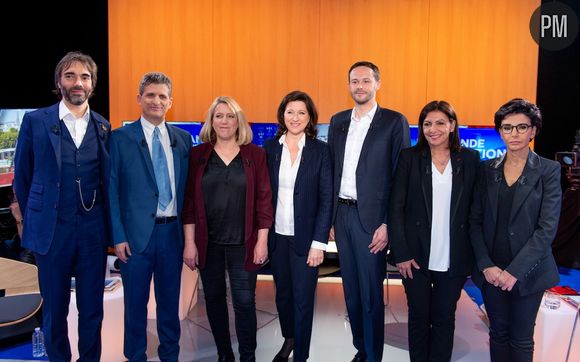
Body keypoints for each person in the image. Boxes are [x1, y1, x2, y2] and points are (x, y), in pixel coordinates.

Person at [13, 51, 110, 361]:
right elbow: (23, 177)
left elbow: (108, 182)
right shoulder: (35, 121)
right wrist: (36, 219)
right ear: (59, 82)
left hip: (93, 233)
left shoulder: (103, 126)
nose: (77, 82)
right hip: (51, 235)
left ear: (92, 84)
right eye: (70, 76)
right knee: (54, 311)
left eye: (84, 76)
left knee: (92, 310)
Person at [327, 61, 410, 362]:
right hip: (342, 215)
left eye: (365, 80)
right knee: (351, 292)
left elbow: (400, 177)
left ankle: (373, 355)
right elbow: (331, 170)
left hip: (372, 221)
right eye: (353, 81)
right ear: (348, 85)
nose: (359, 86)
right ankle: (361, 349)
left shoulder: (393, 121)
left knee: (371, 295)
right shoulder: (337, 122)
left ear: (377, 83)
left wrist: (388, 222)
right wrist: (330, 217)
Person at [182, 96, 273, 362]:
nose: (224, 121)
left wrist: (262, 240)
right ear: (211, 121)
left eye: (230, 116)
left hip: (244, 244)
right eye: (219, 116)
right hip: (207, 243)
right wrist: (189, 242)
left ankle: (248, 356)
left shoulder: (255, 155)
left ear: (239, 121)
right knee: (214, 301)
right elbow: (189, 202)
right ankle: (224, 354)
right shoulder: (198, 156)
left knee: (245, 303)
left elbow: (264, 200)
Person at [470, 98, 562, 362]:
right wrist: (486, 265)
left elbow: (546, 229)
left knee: (521, 339)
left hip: (529, 272)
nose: (514, 134)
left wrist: (514, 272)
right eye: (507, 127)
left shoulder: (548, 170)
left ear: (533, 131)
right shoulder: (487, 170)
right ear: (500, 131)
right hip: (492, 272)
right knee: (498, 333)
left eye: (522, 127)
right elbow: (474, 221)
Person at [108, 72, 191, 362]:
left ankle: (171, 357)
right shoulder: (119, 139)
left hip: (172, 235)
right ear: (139, 98)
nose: (157, 101)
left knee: (169, 306)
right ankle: (135, 357)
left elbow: (188, 192)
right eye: (151, 95)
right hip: (135, 238)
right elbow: (112, 190)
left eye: (162, 96)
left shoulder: (182, 140)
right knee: (135, 306)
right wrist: (118, 236)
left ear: (171, 102)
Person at [388, 101, 480, 361]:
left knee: (444, 318)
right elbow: (396, 209)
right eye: (427, 124)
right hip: (415, 256)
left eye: (440, 123)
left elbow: (476, 211)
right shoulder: (409, 158)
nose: (433, 129)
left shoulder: (470, 160)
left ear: (452, 125)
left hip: (455, 255)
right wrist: (401, 253)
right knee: (418, 316)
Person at [264, 91, 333, 362]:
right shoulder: (270, 148)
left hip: (306, 241)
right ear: (282, 115)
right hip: (277, 237)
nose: (295, 118)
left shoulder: (320, 151)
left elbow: (327, 199)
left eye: (301, 113)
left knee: (303, 300)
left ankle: (301, 354)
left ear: (310, 118)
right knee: (283, 297)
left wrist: (319, 243)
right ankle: (289, 339)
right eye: (290, 112)